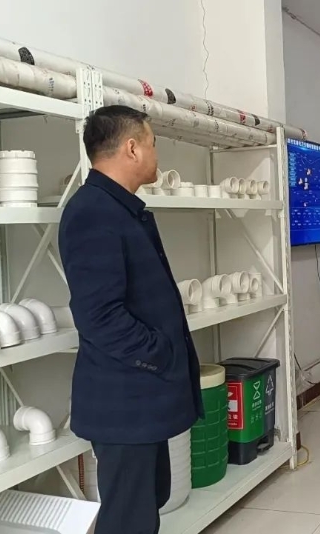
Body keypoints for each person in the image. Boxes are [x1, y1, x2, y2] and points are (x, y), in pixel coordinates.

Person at [58, 106, 203, 534]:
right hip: (124, 405)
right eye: (153, 144)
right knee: (128, 520)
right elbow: (98, 317)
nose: (157, 154)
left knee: (146, 506)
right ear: (132, 148)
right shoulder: (92, 212)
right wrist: (160, 353)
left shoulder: (118, 208)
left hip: (140, 401)